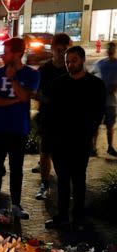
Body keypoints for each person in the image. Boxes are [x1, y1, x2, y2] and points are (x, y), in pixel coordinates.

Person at [45, 47, 106, 230]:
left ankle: (78, 216)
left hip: (80, 141)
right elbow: (50, 113)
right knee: (63, 180)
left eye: (74, 61)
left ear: (82, 60)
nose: (70, 64)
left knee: (79, 180)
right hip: (60, 142)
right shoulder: (58, 84)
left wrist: (89, 134)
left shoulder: (95, 85)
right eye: (68, 62)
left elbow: (98, 113)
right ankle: (62, 216)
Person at [0, 38, 40, 219]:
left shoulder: (31, 74)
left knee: (17, 168)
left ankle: (15, 205)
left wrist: (13, 78)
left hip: (18, 129)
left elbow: (25, 97)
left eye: (6, 51)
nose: (3, 55)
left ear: (17, 54)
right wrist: (10, 101)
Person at [33, 33, 71, 200]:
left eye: (65, 50)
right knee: (45, 151)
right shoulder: (44, 70)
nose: (62, 53)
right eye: (59, 49)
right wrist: (44, 98)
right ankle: (44, 183)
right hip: (48, 117)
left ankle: (64, 185)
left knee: (64, 153)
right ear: (53, 49)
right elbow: (35, 92)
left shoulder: (72, 68)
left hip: (67, 119)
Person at [92, 42, 117, 157]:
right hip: (98, 100)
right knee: (95, 124)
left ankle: (110, 147)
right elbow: (90, 75)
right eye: (109, 48)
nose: (111, 50)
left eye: (113, 48)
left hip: (110, 101)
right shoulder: (100, 63)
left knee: (110, 126)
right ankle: (93, 147)